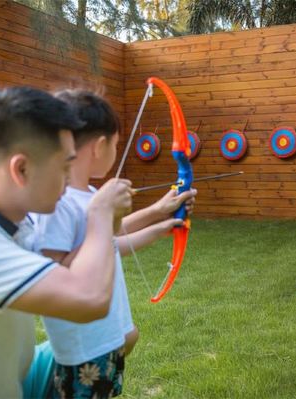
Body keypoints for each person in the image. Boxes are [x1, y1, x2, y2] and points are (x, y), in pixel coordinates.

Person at [0, 87, 133, 398]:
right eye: (63, 167)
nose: (70, 179)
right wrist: (100, 212)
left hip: (18, 380)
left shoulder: (11, 222)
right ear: (21, 169)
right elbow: (88, 299)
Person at [32, 89, 197, 398]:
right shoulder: (56, 203)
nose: (116, 150)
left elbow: (109, 241)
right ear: (100, 146)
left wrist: (162, 220)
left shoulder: (88, 196)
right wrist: (105, 220)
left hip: (101, 341)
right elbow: (54, 275)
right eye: (117, 144)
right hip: (84, 350)